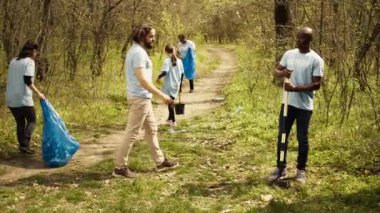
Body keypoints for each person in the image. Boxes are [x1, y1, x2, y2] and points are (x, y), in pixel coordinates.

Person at [113, 24, 179, 178]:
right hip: (139, 98)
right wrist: (161, 95)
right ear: (142, 37)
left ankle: (160, 162)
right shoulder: (138, 53)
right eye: (151, 36)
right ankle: (119, 168)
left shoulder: (138, 51)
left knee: (151, 129)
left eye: (154, 36)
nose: (153, 39)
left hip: (143, 98)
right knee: (132, 132)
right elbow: (142, 80)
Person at [269, 27, 324, 183]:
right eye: (297, 37)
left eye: (301, 38)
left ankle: (301, 170)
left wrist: (295, 89)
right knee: (282, 135)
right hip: (288, 103)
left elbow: (317, 84)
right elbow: (276, 71)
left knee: (302, 138)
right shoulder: (289, 54)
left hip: (304, 107)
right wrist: (282, 73)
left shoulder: (316, 59)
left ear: (308, 40)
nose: (298, 40)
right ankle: (281, 167)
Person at [5, 40, 45, 154]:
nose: (36, 53)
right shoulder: (29, 62)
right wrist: (39, 93)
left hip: (11, 98)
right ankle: (25, 143)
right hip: (23, 98)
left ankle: (23, 147)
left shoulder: (13, 61)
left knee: (20, 122)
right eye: (36, 51)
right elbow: (27, 80)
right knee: (32, 120)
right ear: (32, 51)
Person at [157, 45, 184, 127]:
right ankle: (169, 118)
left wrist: (158, 77)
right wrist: (180, 86)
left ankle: (173, 121)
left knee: (170, 103)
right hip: (177, 84)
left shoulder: (167, 61)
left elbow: (165, 72)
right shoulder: (179, 61)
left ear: (166, 51)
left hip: (169, 84)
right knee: (171, 101)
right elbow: (182, 74)